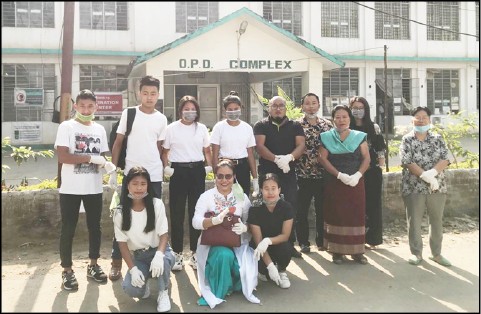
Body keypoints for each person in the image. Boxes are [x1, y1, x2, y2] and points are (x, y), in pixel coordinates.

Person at [109, 75, 168, 281]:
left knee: (154, 216)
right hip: (131, 174)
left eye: (153, 94)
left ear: (158, 95)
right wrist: (113, 170)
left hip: (153, 175)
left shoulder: (162, 119)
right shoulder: (130, 113)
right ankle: (117, 262)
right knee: (122, 216)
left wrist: (165, 167)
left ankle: (155, 258)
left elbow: (160, 148)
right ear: (139, 93)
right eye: (145, 93)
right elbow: (118, 143)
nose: (149, 97)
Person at [54, 89, 115, 290]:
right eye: (82, 106)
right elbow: (63, 157)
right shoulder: (67, 126)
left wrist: (108, 166)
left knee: (95, 227)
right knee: (68, 228)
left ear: (96, 107)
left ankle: (93, 265)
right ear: (75, 106)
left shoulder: (99, 129)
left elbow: (102, 156)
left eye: (90, 106)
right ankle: (67, 271)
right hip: (70, 188)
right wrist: (89, 158)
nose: (86, 110)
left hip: (94, 187)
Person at [192, 159, 260, 308]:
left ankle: (230, 284)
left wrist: (245, 227)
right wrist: (214, 220)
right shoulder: (206, 196)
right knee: (224, 255)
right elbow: (195, 222)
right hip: (212, 245)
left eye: (228, 176)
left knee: (243, 277)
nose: (224, 180)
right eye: (220, 176)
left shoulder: (240, 195)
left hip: (238, 243)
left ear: (234, 176)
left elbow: (251, 221)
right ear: (215, 177)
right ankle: (217, 293)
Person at [113, 166, 175, 312]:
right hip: (139, 257)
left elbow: (164, 234)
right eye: (135, 184)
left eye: (143, 184)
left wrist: (159, 255)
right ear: (127, 186)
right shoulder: (120, 213)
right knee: (131, 289)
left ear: (148, 185)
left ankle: (163, 291)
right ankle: (145, 280)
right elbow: (121, 244)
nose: (139, 188)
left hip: (159, 249)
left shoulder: (156, 204)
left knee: (164, 262)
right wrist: (133, 269)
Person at [162, 95, 213, 271]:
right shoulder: (171, 129)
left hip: (197, 171)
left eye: (193, 109)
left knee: (196, 213)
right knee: (176, 213)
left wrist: (210, 166)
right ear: (180, 110)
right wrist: (166, 167)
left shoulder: (201, 129)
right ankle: (177, 254)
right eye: (186, 109)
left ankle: (194, 252)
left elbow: (207, 150)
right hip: (178, 171)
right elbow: (165, 151)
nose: (190, 112)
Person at [253, 96, 306, 258]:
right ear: (269, 108)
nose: (277, 108)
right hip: (268, 172)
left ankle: (289, 244)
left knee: (290, 206)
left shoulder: (295, 126)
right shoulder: (261, 125)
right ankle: (266, 244)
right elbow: (259, 146)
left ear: (285, 108)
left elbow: (301, 145)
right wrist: (276, 159)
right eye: (274, 106)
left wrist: (289, 158)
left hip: (288, 172)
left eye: (281, 106)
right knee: (267, 207)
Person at [318, 104, 370, 265]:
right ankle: (337, 251)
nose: (341, 120)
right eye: (338, 117)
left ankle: (357, 252)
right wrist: (339, 174)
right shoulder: (326, 137)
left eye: (345, 117)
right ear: (333, 119)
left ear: (350, 118)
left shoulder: (359, 136)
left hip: (356, 182)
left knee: (356, 215)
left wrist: (358, 175)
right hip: (335, 182)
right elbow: (322, 158)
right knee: (337, 214)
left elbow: (366, 158)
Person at [399, 106, 451, 267]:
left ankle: (436, 254)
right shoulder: (407, 139)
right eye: (418, 117)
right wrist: (425, 176)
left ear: (429, 119)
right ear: (412, 119)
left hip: (437, 186)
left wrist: (434, 173)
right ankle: (417, 253)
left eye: (424, 117)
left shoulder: (437, 137)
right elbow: (407, 162)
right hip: (413, 186)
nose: (421, 120)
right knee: (414, 221)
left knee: (436, 221)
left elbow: (445, 159)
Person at [295, 93, 332, 253]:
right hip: (301, 174)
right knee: (301, 210)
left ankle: (321, 240)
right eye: (307, 103)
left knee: (322, 209)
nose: (311, 106)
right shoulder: (296, 125)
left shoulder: (327, 125)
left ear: (318, 105)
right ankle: (303, 242)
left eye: (314, 103)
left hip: (322, 174)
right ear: (302, 106)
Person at [349, 96, 386, 250]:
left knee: (373, 204)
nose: (358, 111)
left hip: (371, 171)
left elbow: (380, 148)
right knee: (355, 205)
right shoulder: (346, 126)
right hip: (352, 171)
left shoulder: (374, 127)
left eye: (361, 108)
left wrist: (381, 164)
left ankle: (373, 238)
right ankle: (356, 237)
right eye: (355, 108)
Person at [248, 173, 293, 289]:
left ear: (279, 190)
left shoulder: (286, 207)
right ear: (261, 190)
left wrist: (268, 240)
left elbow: (285, 235)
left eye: (273, 188)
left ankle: (282, 271)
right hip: (260, 249)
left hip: (278, 244)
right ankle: (265, 270)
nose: (270, 192)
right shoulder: (254, 209)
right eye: (266, 189)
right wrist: (270, 266)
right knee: (264, 271)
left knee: (286, 247)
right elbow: (258, 241)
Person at [210, 91, 258, 196]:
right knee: (225, 199)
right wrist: (215, 176)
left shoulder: (247, 128)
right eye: (230, 110)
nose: (233, 112)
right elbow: (215, 154)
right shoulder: (219, 127)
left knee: (241, 199)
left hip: (242, 168)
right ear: (225, 111)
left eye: (236, 109)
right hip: (224, 168)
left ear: (241, 108)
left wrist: (255, 179)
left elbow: (250, 154)